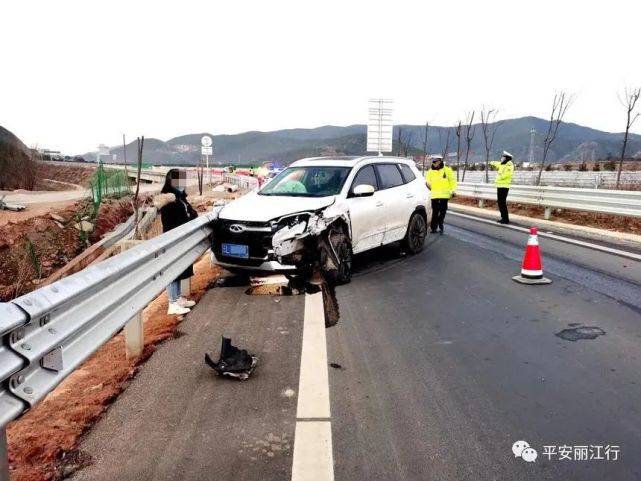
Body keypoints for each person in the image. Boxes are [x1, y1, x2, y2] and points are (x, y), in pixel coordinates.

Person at [153, 169, 199, 315]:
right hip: (173, 241)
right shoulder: (168, 200)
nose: (182, 184)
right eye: (179, 181)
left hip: (182, 239)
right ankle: (172, 303)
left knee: (179, 269)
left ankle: (178, 298)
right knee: (173, 271)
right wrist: (187, 217)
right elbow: (173, 222)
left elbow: (193, 214)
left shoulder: (180, 198)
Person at [425, 155, 457, 234]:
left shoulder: (447, 170)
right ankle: (433, 228)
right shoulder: (430, 172)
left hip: (444, 195)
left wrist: (453, 191)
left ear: (440, 161)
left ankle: (440, 222)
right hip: (434, 195)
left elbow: (452, 181)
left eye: (435, 162)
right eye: (433, 162)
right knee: (435, 212)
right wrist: (428, 185)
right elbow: (428, 182)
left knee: (443, 211)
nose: (434, 163)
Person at [489, 151, 515, 224]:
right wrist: (491, 162)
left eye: (503, 157)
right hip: (500, 186)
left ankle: (505, 219)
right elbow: (497, 164)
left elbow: (507, 174)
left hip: (504, 186)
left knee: (502, 203)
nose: (501, 158)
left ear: (507, 158)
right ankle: (503, 217)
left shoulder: (509, 165)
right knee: (500, 202)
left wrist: (500, 177)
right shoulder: (502, 164)